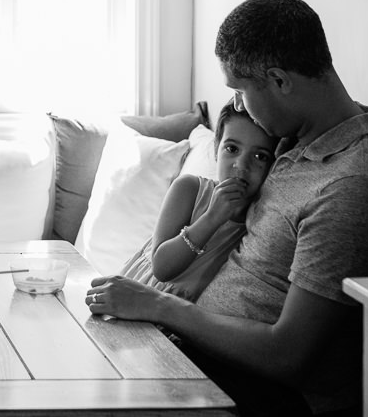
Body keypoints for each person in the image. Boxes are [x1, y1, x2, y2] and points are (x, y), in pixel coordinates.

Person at [18, 0, 368, 417]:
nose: (240, 106)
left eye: (242, 90)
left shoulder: (352, 186)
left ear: (279, 80)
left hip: (268, 399)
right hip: (199, 356)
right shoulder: (295, 143)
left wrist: (160, 305)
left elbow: (288, 355)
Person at [117, 99, 277, 301]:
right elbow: (161, 268)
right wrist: (212, 218)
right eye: (232, 149)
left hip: (184, 320)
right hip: (140, 298)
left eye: (260, 156)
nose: (241, 165)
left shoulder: (262, 222)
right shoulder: (189, 189)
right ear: (217, 149)